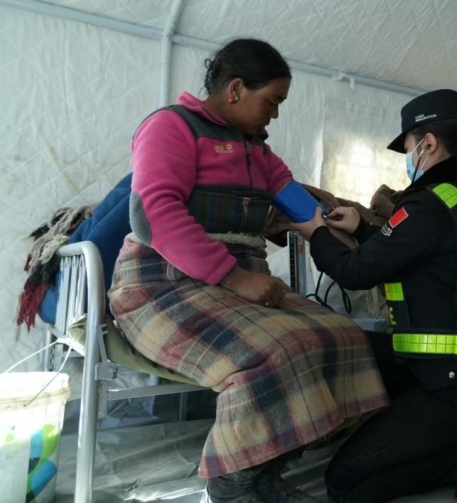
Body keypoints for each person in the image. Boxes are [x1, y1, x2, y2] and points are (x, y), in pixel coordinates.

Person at [107, 39, 389, 503]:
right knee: (272, 350)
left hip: (228, 288)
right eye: (272, 102)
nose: (274, 116)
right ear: (236, 88)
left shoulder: (259, 153)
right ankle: (231, 485)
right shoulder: (172, 126)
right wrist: (236, 278)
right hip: (162, 286)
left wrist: (329, 223)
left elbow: (294, 199)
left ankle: (264, 470)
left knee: (345, 336)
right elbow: (152, 214)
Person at [293, 89, 457, 503]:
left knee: (344, 482)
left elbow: (356, 272)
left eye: (409, 147)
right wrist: (361, 226)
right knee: (350, 344)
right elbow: (412, 250)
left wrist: (317, 233)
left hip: (452, 390)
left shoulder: (426, 206)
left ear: (427, 144)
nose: (407, 159)